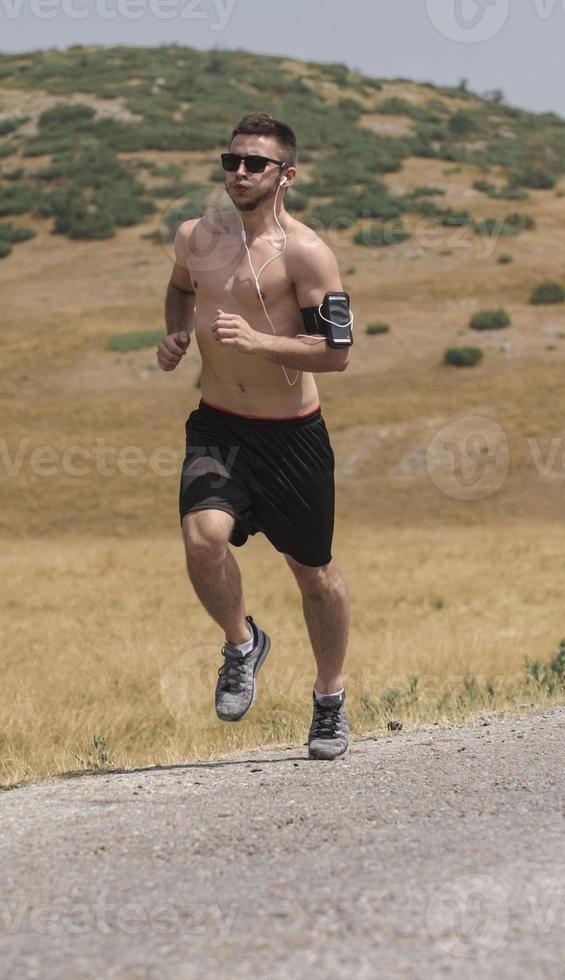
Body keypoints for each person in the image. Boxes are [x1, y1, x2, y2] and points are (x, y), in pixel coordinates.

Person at [158, 111, 353, 760]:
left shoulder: (307, 254)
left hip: (292, 436)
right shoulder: (196, 237)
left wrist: (260, 340)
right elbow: (180, 289)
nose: (238, 173)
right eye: (231, 162)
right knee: (201, 536)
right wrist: (178, 333)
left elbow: (335, 353)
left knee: (313, 574)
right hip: (219, 425)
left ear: (286, 175)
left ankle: (329, 698)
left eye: (254, 164)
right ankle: (241, 644)